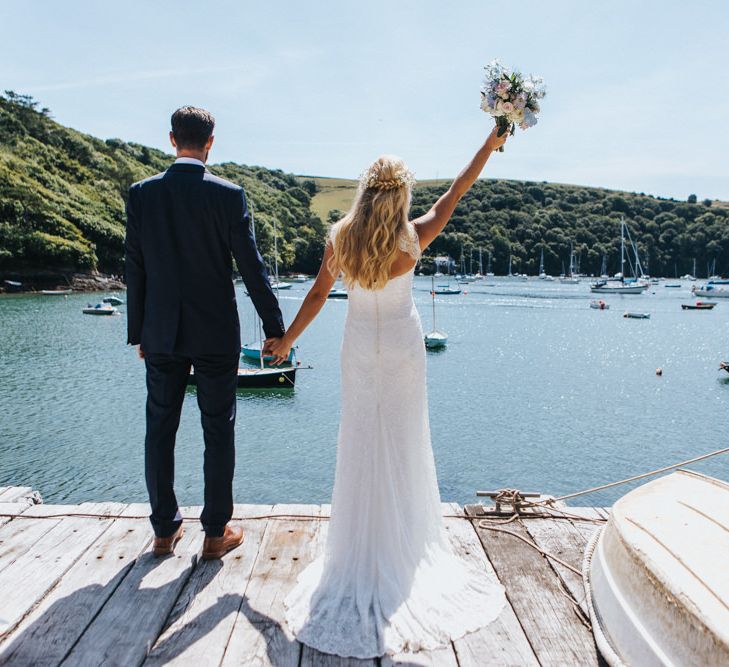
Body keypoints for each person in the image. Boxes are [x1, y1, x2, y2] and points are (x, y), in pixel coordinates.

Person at [267, 125, 509, 657]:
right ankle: (402, 549)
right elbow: (457, 191)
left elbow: (314, 295)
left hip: (359, 350)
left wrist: (286, 341)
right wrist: (488, 146)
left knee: (359, 441)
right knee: (402, 443)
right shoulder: (413, 237)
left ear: (363, 191)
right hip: (402, 349)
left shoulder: (339, 240)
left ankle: (359, 551)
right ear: (401, 196)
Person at [124, 106, 285, 560]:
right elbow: (253, 270)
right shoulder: (229, 196)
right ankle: (215, 533)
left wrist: (139, 333)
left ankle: (163, 530)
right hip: (215, 332)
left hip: (161, 332)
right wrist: (277, 331)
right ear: (211, 142)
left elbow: (134, 269)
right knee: (218, 429)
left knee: (159, 428)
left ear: (171, 139)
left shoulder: (142, 194)